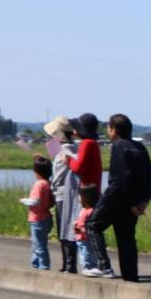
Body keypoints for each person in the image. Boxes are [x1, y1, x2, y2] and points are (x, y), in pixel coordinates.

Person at [90, 114, 151, 282]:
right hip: (135, 201)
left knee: (92, 226)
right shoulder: (139, 147)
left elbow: (122, 177)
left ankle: (104, 266)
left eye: (108, 128)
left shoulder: (118, 146)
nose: (107, 131)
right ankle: (130, 276)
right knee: (126, 239)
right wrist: (144, 201)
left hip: (117, 197)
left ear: (114, 129)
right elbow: (150, 176)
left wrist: (132, 202)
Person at [66, 113, 114, 278]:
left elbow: (78, 168)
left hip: (88, 193)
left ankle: (90, 264)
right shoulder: (92, 143)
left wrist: (68, 158)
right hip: (93, 191)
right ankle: (93, 263)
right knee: (89, 228)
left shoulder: (87, 143)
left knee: (84, 228)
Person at [43, 116, 82, 274]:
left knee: (65, 230)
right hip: (59, 193)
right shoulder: (61, 148)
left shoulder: (68, 149)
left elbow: (74, 164)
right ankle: (67, 263)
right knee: (62, 231)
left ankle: (70, 264)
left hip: (65, 195)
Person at [20, 155, 55, 270]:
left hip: (38, 219)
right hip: (46, 217)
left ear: (37, 171)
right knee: (37, 245)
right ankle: (36, 265)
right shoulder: (48, 183)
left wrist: (23, 200)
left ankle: (43, 267)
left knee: (39, 246)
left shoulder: (39, 184)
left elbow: (35, 201)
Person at [74, 186, 101, 273]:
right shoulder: (83, 210)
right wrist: (76, 225)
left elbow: (90, 226)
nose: (78, 197)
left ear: (86, 198)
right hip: (80, 237)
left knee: (87, 253)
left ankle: (90, 267)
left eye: (80, 196)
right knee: (82, 253)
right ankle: (87, 267)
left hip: (85, 237)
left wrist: (80, 230)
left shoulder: (90, 211)